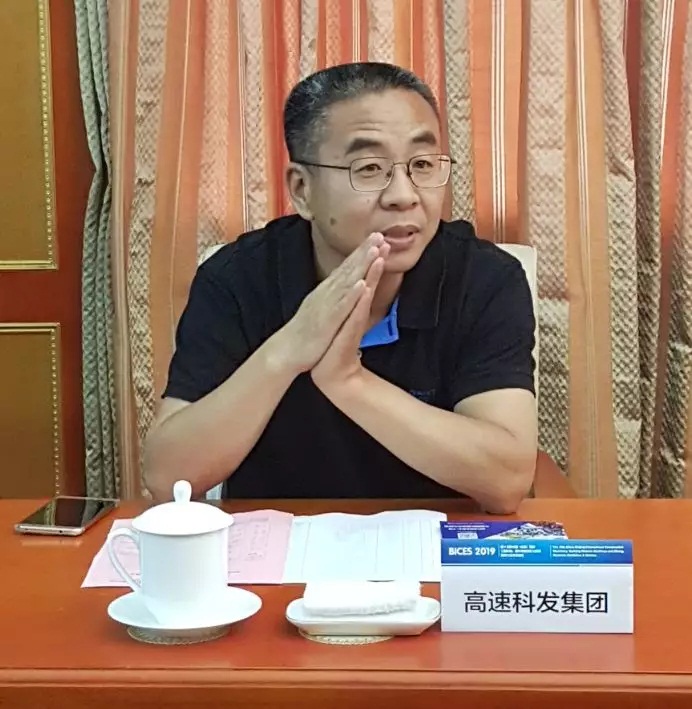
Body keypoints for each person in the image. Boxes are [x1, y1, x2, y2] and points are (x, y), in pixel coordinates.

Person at [143, 62, 538, 513]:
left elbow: (507, 480)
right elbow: (167, 478)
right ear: (302, 190)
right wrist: (287, 350)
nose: (404, 195)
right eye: (368, 169)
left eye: (423, 165)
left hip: (434, 546)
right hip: (279, 546)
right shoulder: (237, 278)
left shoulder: (483, 279)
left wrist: (349, 381)